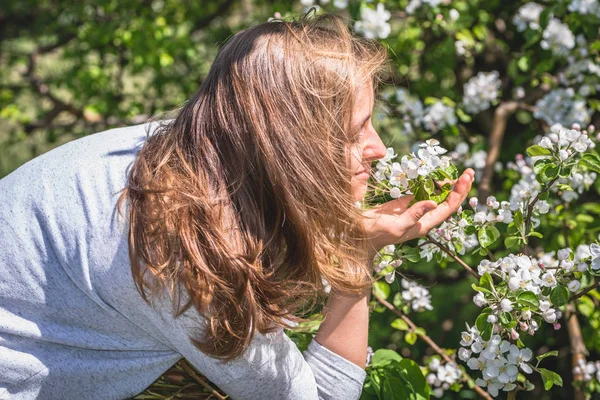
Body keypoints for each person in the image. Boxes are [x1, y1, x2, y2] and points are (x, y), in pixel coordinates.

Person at [0, 11, 474, 400]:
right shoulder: (181, 255)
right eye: (355, 132)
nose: (380, 149)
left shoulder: (188, 153)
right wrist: (356, 260)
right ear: (293, 146)